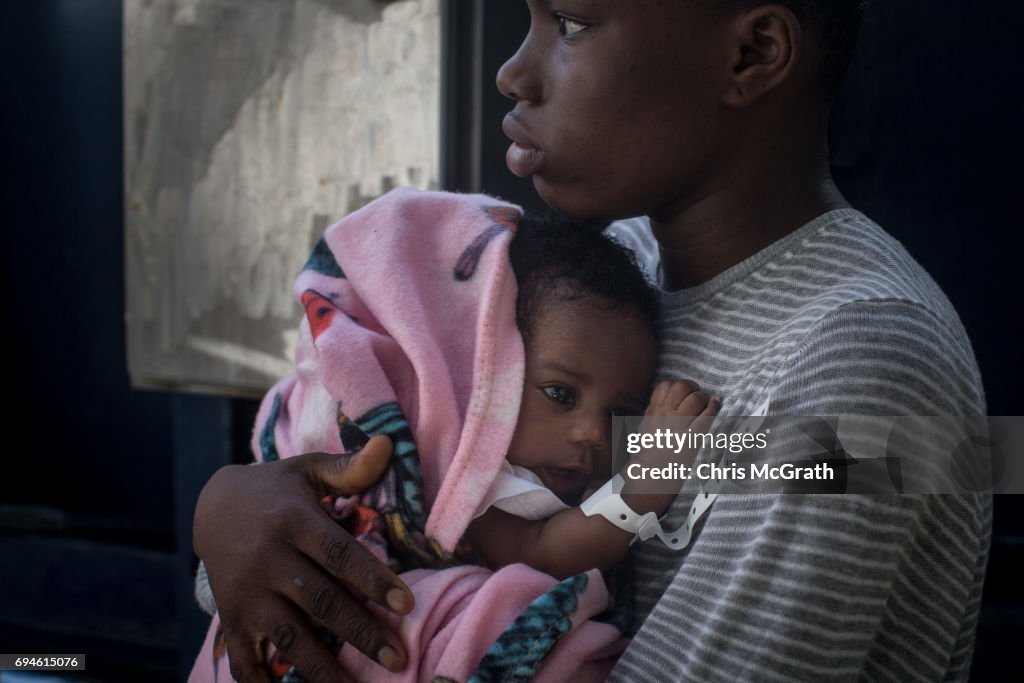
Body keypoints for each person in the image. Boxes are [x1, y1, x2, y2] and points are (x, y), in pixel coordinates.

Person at [193, 1, 991, 681]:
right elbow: (421, 493)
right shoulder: (604, 277)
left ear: (750, 55)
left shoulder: (858, 358)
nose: (514, 72)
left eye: (570, 22)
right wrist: (236, 525)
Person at [190, 189, 720, 682]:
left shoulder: (781, 401)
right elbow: (544, 552)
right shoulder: (483, 478)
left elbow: (800, 460)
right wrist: (647, 482)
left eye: (621, 414)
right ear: (484, 378)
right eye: (559, 395)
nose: (592, 435)